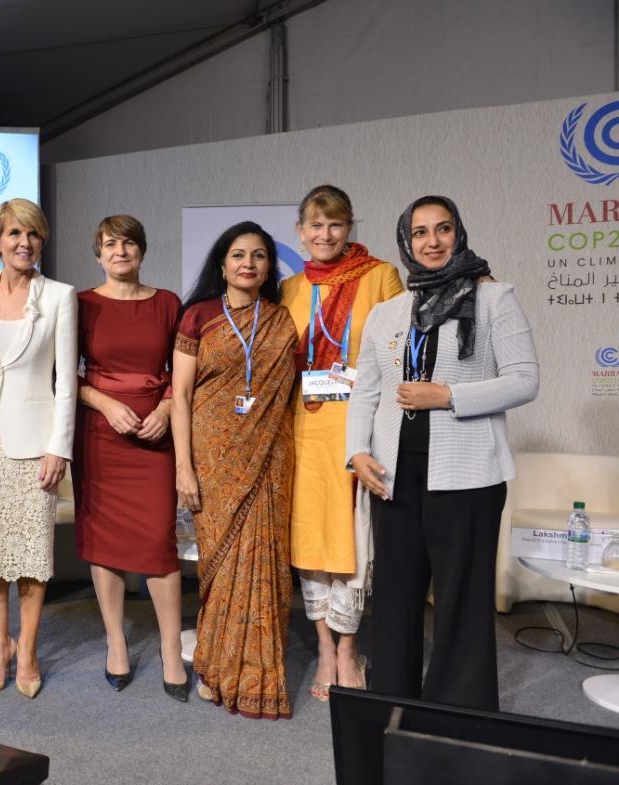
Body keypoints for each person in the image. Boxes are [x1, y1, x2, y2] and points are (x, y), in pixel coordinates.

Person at [346, 195, 538, 711]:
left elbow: (525, 381)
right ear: (406, 242)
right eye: (420, 233)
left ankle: (460, 715)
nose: (432, 242)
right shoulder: (388, 313)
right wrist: (356, 452)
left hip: (468, 477)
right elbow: (366, 390)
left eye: (443, 229)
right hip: (394, 476)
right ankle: (393, 709)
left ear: (459, 233)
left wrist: (448, 395)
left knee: (461, 603)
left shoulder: (494, 298)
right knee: (394, 602)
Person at [280, 184, 404, 700]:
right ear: (300, 231)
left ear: (349, 227)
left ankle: (350, 650)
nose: (324, 234)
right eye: (315, 224)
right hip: (303, 429)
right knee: (310, 542)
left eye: (334, 224)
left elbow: (401, 350)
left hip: (360, 430)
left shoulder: (381, 277)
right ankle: (325, 650)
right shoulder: (287, 287)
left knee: (353, 542)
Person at [171, 221, 298, 719]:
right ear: (222, 264)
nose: (249, 263)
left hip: (269, 456)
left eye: (260, 255)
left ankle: (259, 672)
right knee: (219, 566)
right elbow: (179, 396)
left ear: (269, 267)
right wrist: (184, 466)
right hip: (211, 458)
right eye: (239, 254)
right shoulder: (197, 316)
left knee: (265, 562)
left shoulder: (283, 320)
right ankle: (217, 666)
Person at [0, 198, 77, 699]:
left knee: (31, 557)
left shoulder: (59, 296)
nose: (24, 243)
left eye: (33, 235)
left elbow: (67, 380)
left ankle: (26, 649)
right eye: (14, 234)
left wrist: (60, 447)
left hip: (35, 445)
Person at [73, 215, 188, 701]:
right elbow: (62, 376)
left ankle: (168, 648)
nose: (120, 251)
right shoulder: (79, 305)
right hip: (101, 436)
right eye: (109, 244)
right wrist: (103, 403)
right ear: (98, 254)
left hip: (157, 438)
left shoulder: (168, 303)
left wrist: (165, 408)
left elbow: (182, 373)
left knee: (159, 541)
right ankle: (116, 641)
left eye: (128, 243)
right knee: (105, 541)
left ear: (142, 251)